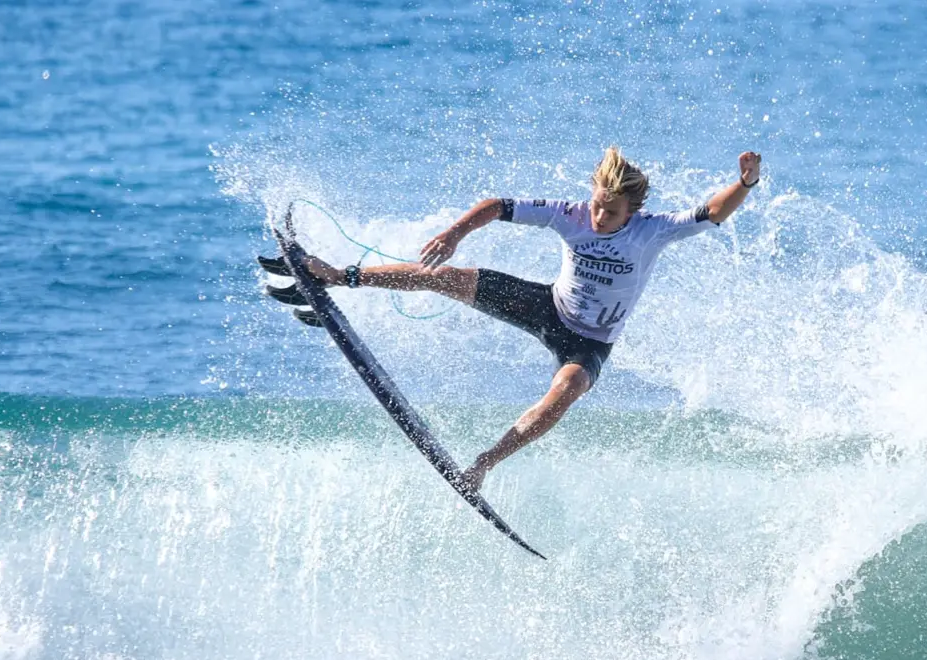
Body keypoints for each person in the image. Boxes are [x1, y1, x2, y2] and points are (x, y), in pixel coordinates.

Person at [274, 147, 762, 492]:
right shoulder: (571, 214)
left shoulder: (653, 231)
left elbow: (712, 212)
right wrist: (454, 234)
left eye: (611, 212)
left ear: (633, 211)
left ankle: (484, 464)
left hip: (588, 343)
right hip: (547, 306)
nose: (598, 217)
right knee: (444, 277)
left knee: (565, 392)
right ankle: (336, 276)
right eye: (597, 204)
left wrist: (744, 184)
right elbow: (497, 206)